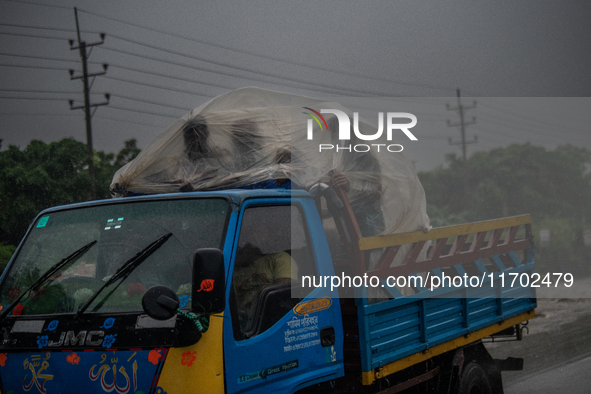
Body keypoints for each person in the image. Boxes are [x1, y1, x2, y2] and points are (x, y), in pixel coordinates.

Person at [232, 243, 298, 332]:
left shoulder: (278, 259)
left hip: (267, 322)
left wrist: (254, 305)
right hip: (238, 324)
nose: (243, 247)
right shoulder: (231, 272)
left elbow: (284, 295)